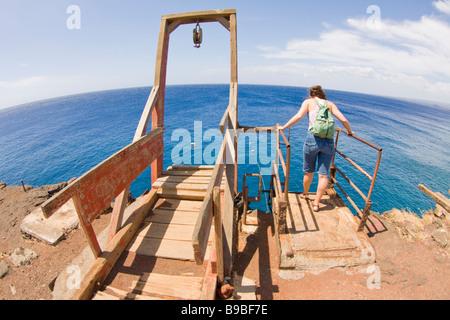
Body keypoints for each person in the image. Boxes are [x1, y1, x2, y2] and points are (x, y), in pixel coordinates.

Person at [278, 85, 353, 212]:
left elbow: (298, 116)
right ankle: (316, 204)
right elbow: (343, 119)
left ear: (311, 94)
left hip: (312, 140)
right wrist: (349, 131)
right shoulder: (330, 104)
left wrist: (284, 127)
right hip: (328, 142)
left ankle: (305, 194)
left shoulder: (308, 102)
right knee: (323, 175)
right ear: (322, 94)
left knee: (309, 171)